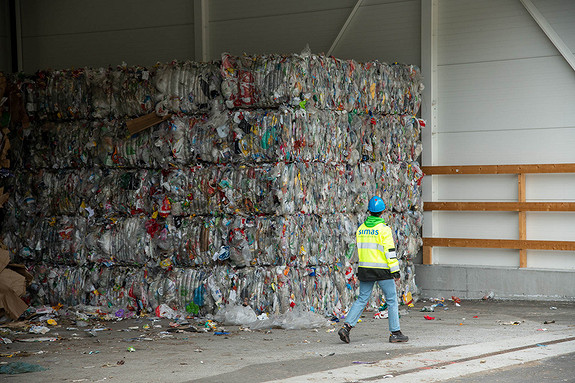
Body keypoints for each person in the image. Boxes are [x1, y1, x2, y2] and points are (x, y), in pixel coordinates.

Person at [338, 196, 408, 343]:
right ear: (382, 212)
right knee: (391, 300)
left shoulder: (361, 229)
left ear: (369, 211)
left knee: (362, 299)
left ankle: (346, 327)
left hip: (365, 269)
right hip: (382, 270)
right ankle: (395, 332)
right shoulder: (384, 229)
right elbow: (390, 252)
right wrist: (395, 271)